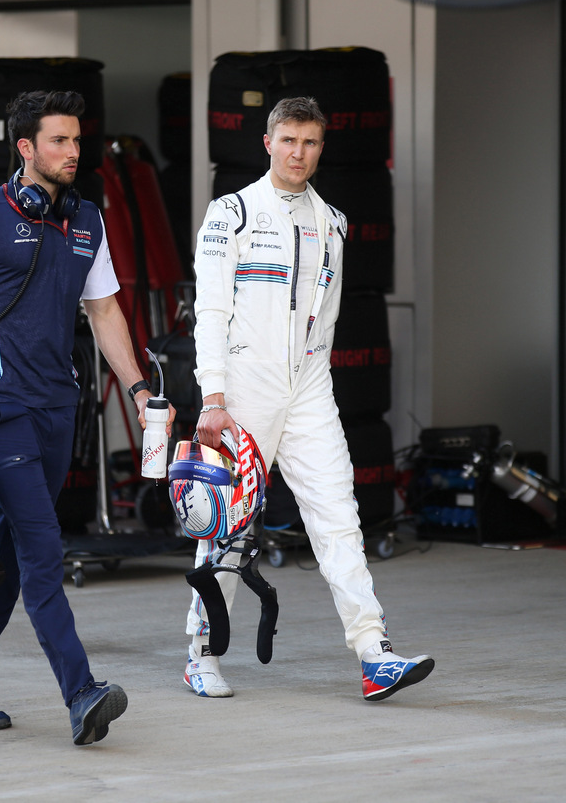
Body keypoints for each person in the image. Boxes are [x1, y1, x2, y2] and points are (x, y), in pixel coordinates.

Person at [0, 89, 173, 745]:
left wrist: (139, 388)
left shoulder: (87, 221)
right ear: (24, 147)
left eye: (77, 141)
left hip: (59, 406)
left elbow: (105, 311)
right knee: (42, 548)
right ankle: (81, 691)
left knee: (11, 551)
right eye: (58, 141)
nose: (72, 152)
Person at [182, 96, 434, 701]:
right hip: (242, 389)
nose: (299, 153)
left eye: (311, 142)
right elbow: (210, 313)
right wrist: (212, 396)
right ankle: (201, 654)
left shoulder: (334, 222)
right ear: (267, 142)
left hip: (309, 388)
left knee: (339, 517)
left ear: (323, 148)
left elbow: (327, 323)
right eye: (288, 140)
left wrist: (311, 382)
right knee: (226, 526)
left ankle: (374, 653)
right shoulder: (230, 213)